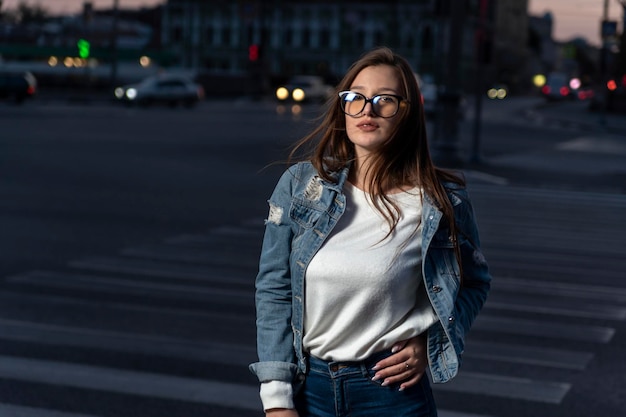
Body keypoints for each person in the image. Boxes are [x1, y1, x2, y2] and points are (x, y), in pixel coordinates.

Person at [249, 47, 491, 417]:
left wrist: (432, 342)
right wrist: (277, 398)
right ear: (342, 107)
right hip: (307, 389)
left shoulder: (441, 203)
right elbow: (274, 289)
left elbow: (475, 282)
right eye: (356, 98)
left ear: (407, 112)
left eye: (385, 100)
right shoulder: (301, 186)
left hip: (392, 394)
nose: (368, 109)